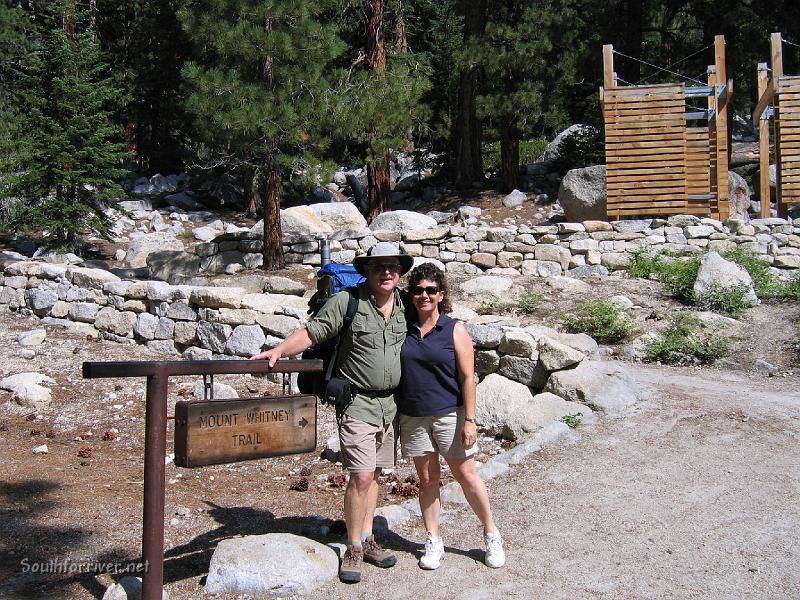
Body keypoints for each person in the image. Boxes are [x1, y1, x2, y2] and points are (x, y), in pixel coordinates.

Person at [251, 242, 413, 584]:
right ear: (366, 271)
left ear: (400, 272)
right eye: (379, 266)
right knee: (361, 476)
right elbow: (311, 333)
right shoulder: (347, 302)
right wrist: (279, 350)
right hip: (356, 404)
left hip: (390, 406)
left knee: (377, 475)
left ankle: (368, 538)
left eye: (393, 267)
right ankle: (353, 545)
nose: (387, 272)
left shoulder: (404, 306)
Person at [399, 262, 505, 570]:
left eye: (431, 290)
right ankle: (433, 539)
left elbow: (467, 377)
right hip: (414, 416)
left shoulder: (454, 328)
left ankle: (491, 533)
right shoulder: (403, 328)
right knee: (428, 479)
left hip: (450, 414)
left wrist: (470, 420)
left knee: (466, 475)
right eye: (418, 290)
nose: (424, 296)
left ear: (441, 294)